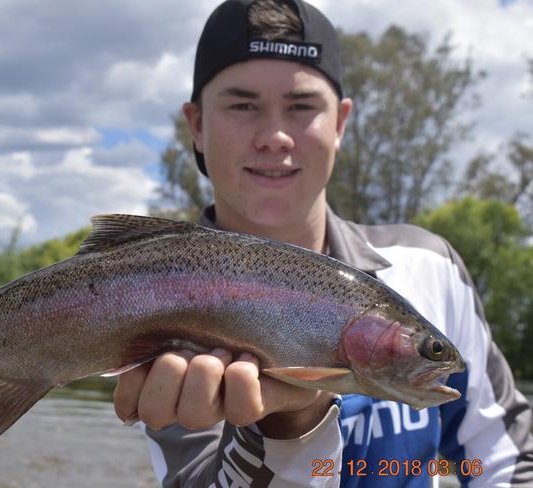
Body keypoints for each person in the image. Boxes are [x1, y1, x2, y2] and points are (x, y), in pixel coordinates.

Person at [113, 0, 533, 486]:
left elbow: (507, 463)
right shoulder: (149, 290)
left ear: (340, 124)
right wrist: (290, 425)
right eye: (242, 105)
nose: (274, 136)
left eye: (302, 106)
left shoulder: (429, 266)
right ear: (198, 125)